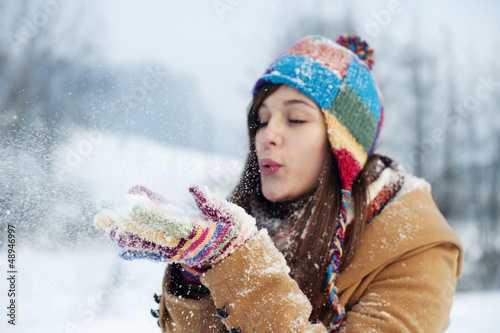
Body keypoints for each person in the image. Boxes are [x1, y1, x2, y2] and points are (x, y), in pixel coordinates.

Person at [95, 34, 463, 332]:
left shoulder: (418, 246)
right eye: (262, 119)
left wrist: (241, 267)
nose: (266, 136)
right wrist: (196, 275)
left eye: (296, 120)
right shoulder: (250, 224)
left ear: (343, 147)